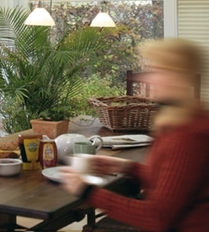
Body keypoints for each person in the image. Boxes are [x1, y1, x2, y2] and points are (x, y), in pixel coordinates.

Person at [60, 38, 209, 232]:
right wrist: (126, 167)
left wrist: (86, 190)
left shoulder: (188, 136)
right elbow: (174, 183)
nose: (148, 78)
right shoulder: (186, 119)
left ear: (178, 77)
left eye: (158, 71)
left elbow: (157, 218)